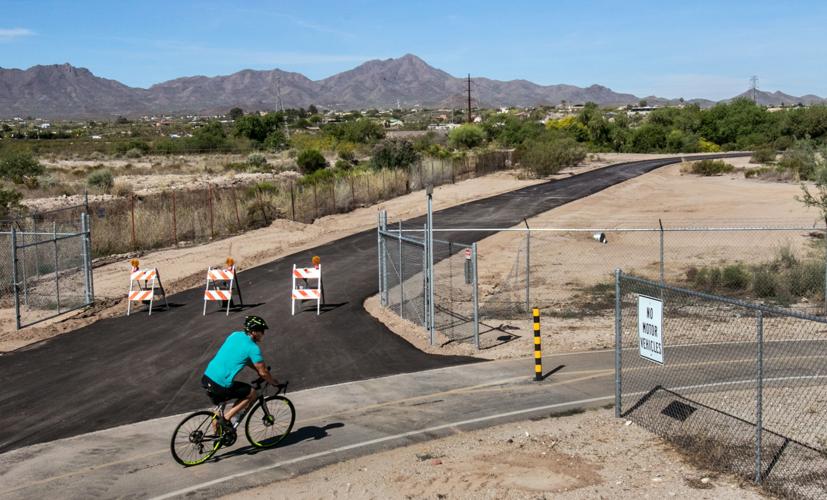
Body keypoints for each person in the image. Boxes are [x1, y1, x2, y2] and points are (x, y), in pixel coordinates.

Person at [201, 315, 279, 430]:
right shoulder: (253, 348)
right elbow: (263, 373)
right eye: (261, 331)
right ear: (253, 331)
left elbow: (243, 359)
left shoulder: (234, 335)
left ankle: (217, 437)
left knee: (219, 406)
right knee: (252, 393)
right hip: (221, 384)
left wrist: (257, 370)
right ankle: (227, 418)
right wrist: (273, 382)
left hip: (207, 377)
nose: (263, 333)